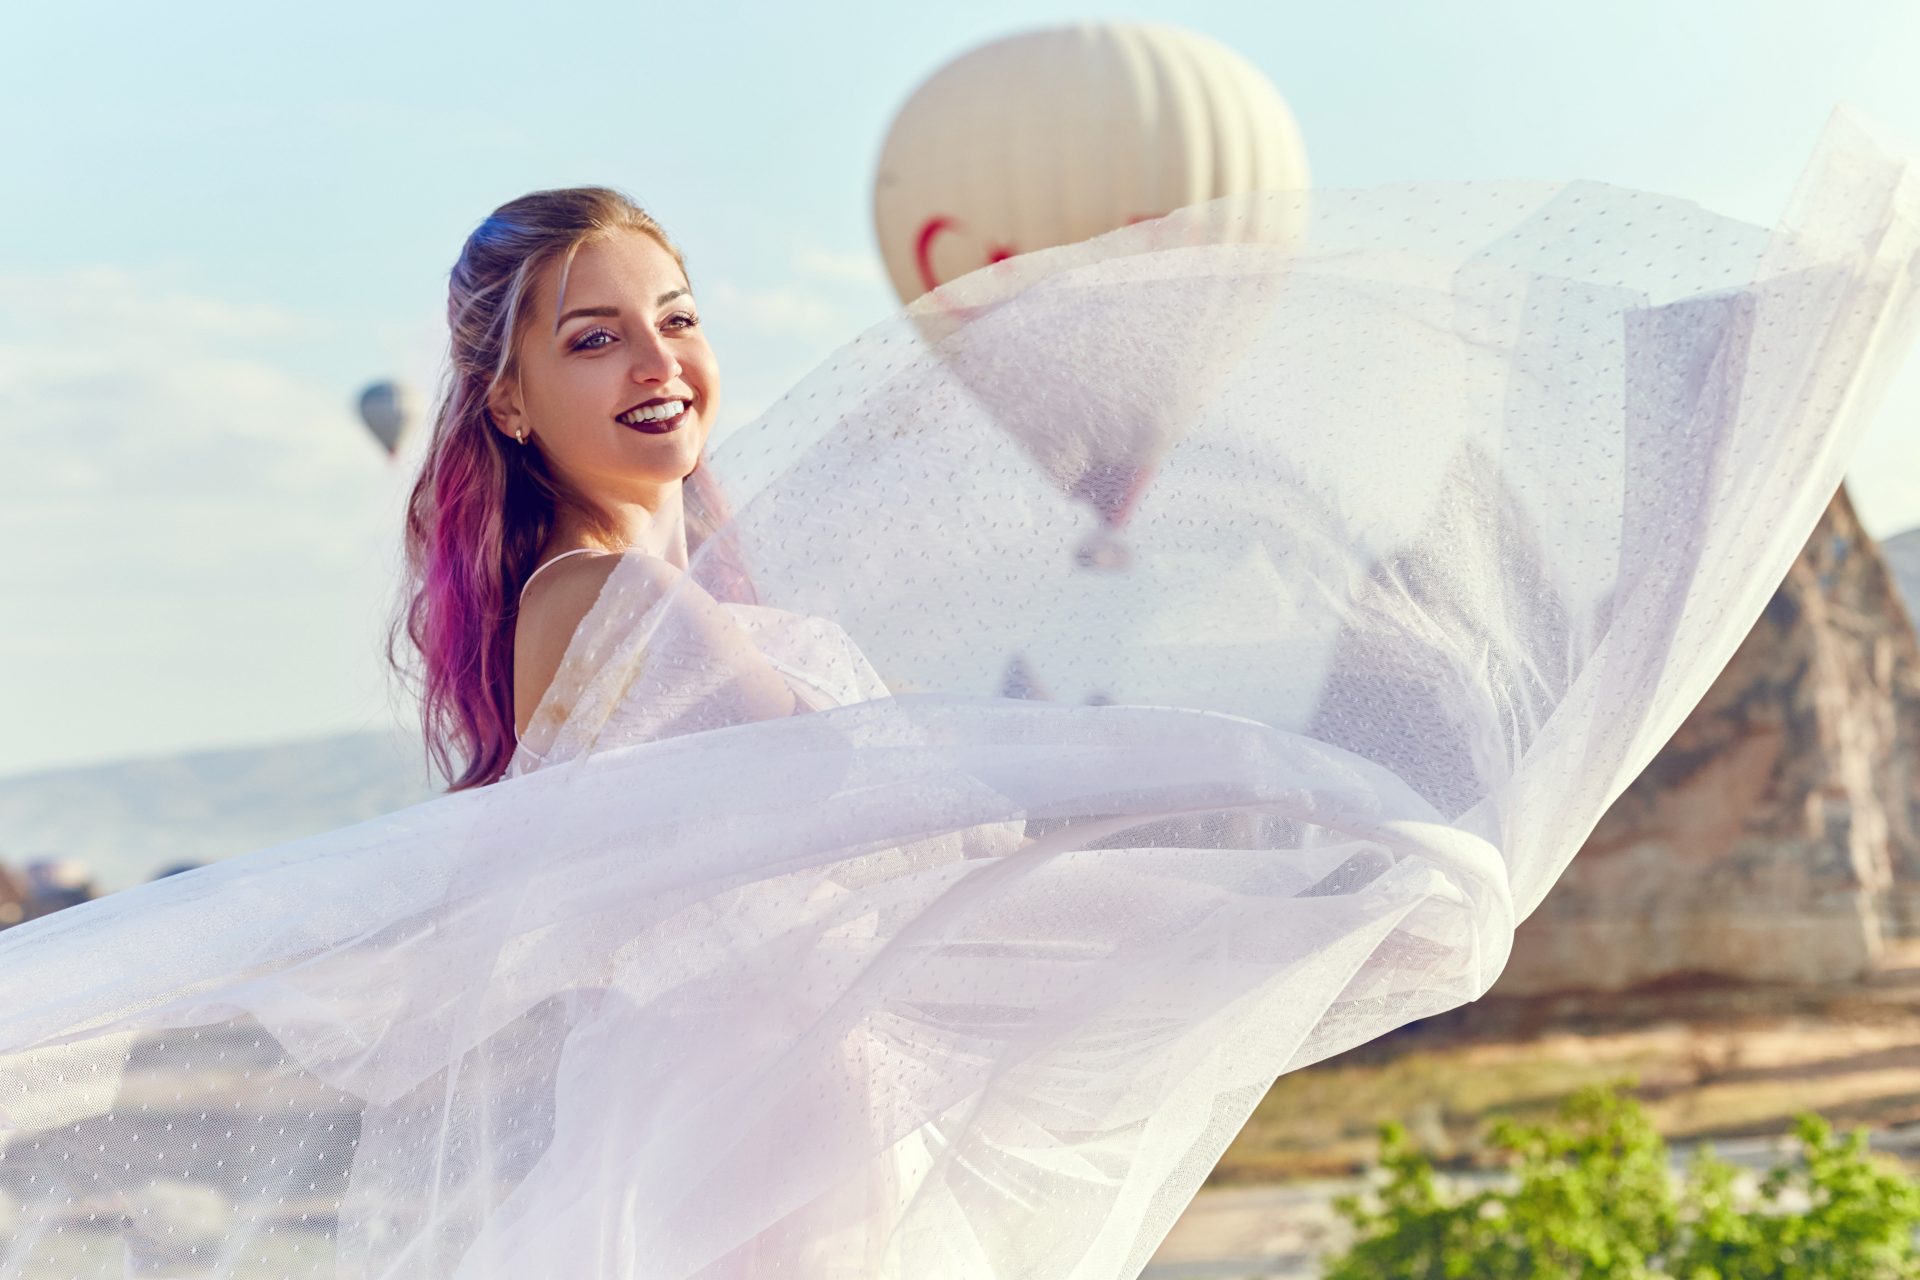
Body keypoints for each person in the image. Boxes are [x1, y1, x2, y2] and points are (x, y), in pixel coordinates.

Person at [0, 103, 1917, 1278]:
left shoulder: (660, 574)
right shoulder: (587, 589)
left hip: (804, 1081)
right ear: (506, 399)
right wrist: (1240, 797)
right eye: (593, 338)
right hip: (748, 1102)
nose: (658, 360)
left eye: (677, 317)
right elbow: (856, 797)